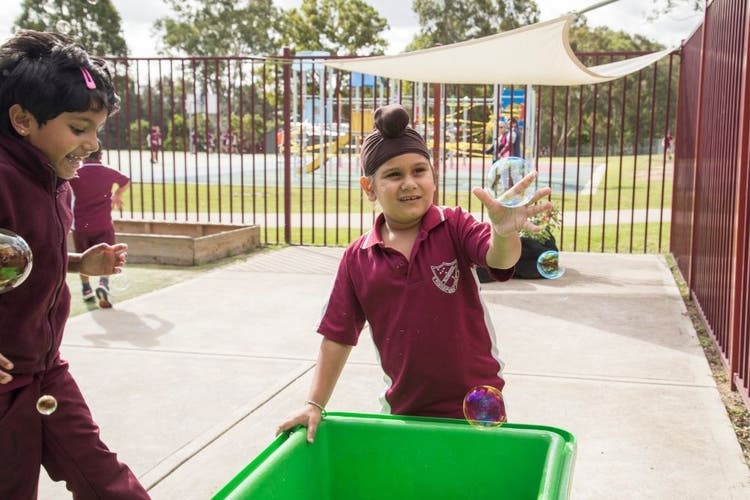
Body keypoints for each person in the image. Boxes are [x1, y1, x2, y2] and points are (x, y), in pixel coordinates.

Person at [276, 104, 552, 443]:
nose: (410, 183)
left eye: (419, 170)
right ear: (369, 187)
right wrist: (314, 403)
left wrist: (504, 232)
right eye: (394, 175)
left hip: (477, 406)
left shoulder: (453, 225)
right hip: (405, 411)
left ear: (433, 177)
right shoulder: (357, 258)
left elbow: (500, 259)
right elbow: (337, 336)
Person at [0, 30, 150, 499]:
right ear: (23, 120)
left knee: (107, 481)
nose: (93, 143)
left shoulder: (56, 181)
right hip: (5, 384)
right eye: (79, 127)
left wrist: (77, 262)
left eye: (98, 129)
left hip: (47, 371)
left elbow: (15, 259)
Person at [69, 148, 130, 308]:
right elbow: (126, 181)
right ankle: (103, 284)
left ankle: (86, 289)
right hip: (103, 223)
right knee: (108, 254)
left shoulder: (76, 173)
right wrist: (117, 195)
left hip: (81, 224)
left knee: (82, 258)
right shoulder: (108, 172)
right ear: (101, 155)